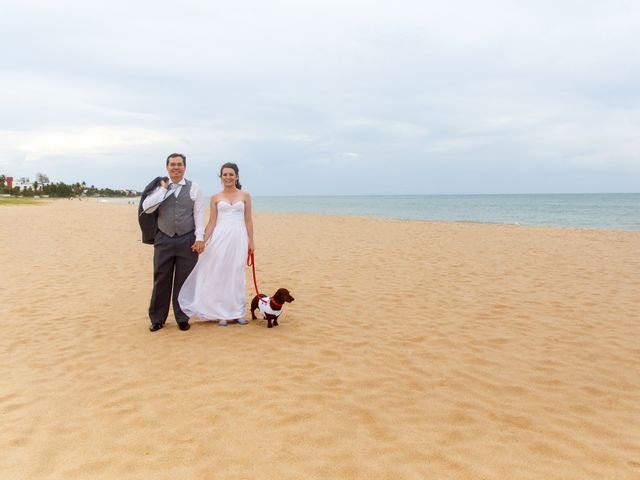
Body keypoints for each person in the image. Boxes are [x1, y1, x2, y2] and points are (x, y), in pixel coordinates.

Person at [178, 162, 255, 326]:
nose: (228, 177)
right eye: (225, 174)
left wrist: (251, 242)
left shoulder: (245, 196)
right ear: (220, 177)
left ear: (237, 176)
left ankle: (238, 312)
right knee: (220, 272)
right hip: (221, 236)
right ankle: (222, 313)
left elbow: (248, 220)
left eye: (231, 174)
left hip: (239, 237)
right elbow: (212, 222)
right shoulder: (215, 197)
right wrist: (202, 241)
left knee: (237, 273)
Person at [142, 153, 205, 332]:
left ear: (185, 167)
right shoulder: (158, 187)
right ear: (167, 167)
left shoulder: (195, 188)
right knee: (161, 278)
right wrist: (163, 190)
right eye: (172, 164)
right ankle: (157, 319)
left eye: (179, 164)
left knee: (184, 281)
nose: (176, 167)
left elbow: (199, 214)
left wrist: (200, 238)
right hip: (164, 238)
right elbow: (147, 208)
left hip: (187, 239)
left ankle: (182, 317)